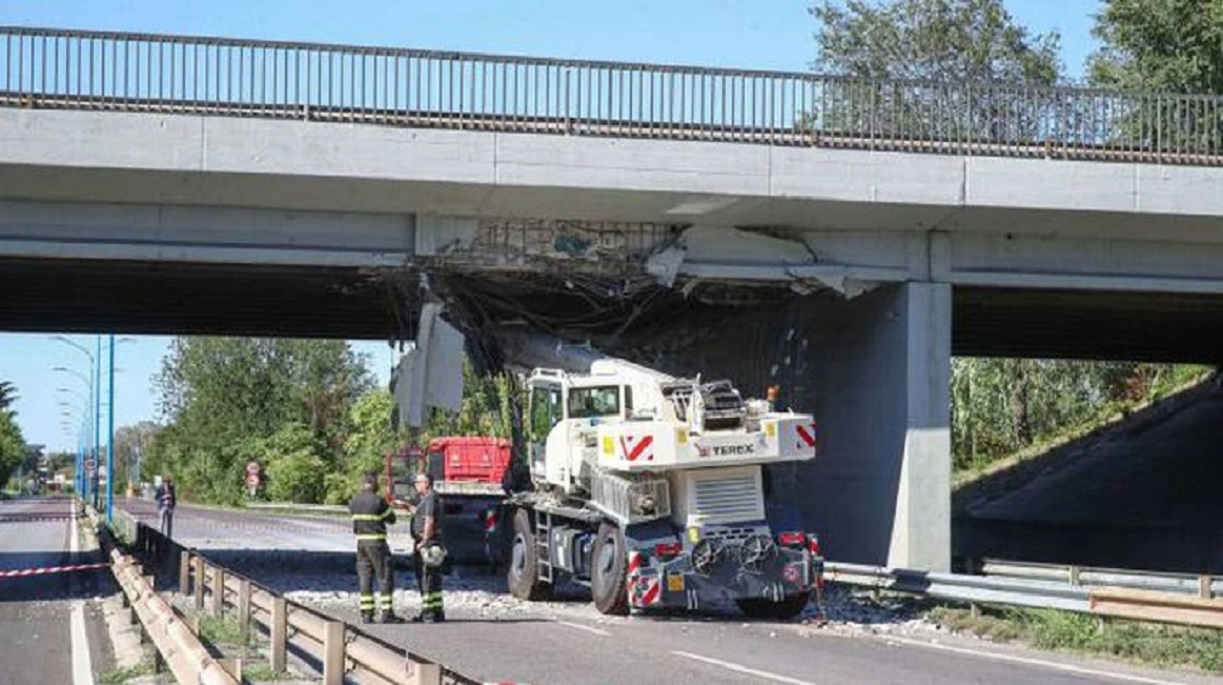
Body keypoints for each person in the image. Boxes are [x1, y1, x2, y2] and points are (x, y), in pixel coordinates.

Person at [348, 472, 402, 624]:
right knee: (384, 576)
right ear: (374, 484)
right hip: (377, 543)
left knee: (365, 577)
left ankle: (367, 613)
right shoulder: (378, 501)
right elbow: (392, 519)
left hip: (361, 543)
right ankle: (386, 613)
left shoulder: (354, 501)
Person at [410, 472, 446, 623]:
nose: (416, 485)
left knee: (426, 578)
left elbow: (429, 520)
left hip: (428, 544)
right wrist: (407, 507)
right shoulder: (427, 499)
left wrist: (424, 541)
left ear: (427, 483)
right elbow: (421, 514)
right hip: (431, 542)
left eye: (418, 482)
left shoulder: (431, 498)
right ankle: (437, 611)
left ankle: (428, 613)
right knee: (434, 577)